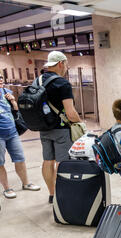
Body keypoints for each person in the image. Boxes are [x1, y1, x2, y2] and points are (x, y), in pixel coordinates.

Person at [0, 65, 40, 198]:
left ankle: (26, 183)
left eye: (1, 77)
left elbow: (15, 111)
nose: (1, 80)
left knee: (20, 158)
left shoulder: (5, 92)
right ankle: (7, 188)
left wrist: (13, 102)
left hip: (12, 132)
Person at [39, 51, 82, 204]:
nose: (66, 68)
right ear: (60, 63)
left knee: (48, 160)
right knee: (63, 163)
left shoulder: (37, 81)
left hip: (43, 127)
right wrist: (81, 123)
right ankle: (62, 194)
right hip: (61, 129)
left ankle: (52, 194)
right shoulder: (62, 83)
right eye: (66, 65)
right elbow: (70, 113)